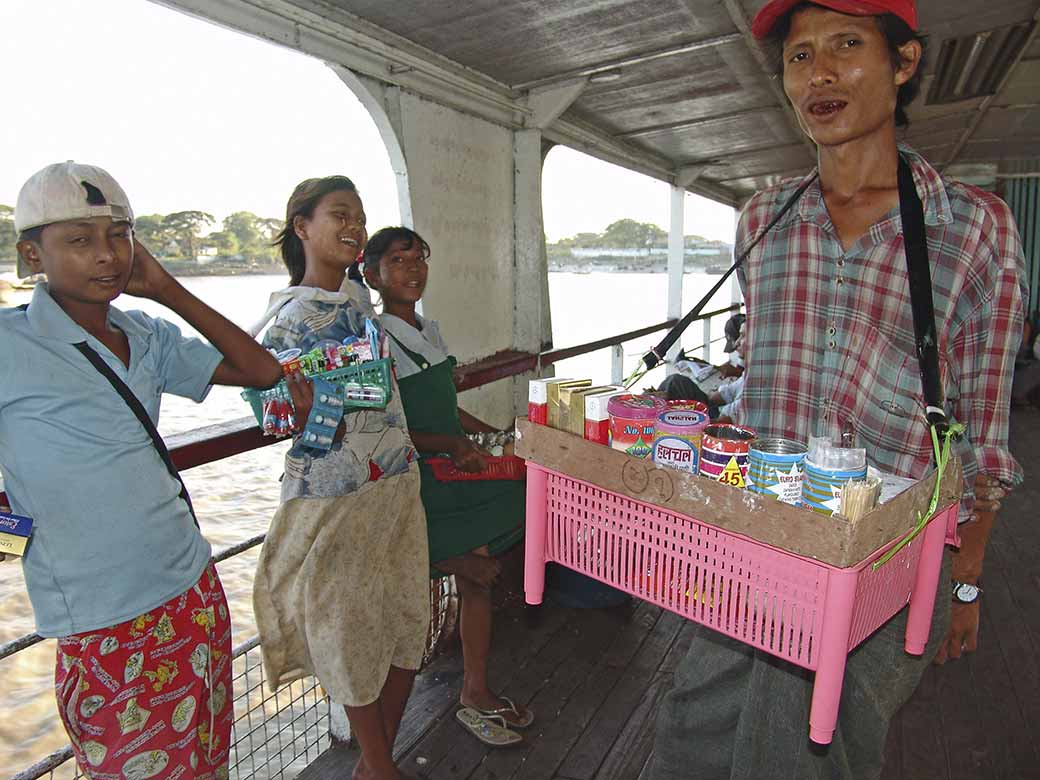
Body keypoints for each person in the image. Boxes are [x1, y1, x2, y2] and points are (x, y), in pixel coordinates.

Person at [651, 1, 1025, 778]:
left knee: (816, 755)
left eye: (847, 46)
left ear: (905, 62)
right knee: (694, 733)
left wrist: (964, 583)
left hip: (881, 563)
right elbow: (759, 381)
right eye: (799, 56)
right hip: (751, 540)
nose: (818, 72)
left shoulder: (971, 226)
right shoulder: (763, 220)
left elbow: (983, 435)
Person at [0, 161, 282, 778]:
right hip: (104, 621)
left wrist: (166, 289)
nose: (106, 255)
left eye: (119, 235)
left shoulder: (145, 333)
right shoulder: (7, 343)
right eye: (79, 240)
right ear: (30, 255)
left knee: (208, 764)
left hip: (193, 588)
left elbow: (262, 372)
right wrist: (12, 532)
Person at [249, 178, 429, 780]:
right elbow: (283, 423)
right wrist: (312, 408)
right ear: (302, 227)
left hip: (397, 481)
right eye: (340, 214)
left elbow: (380, 395)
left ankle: (377, 763)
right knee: (347, 638)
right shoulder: (285, 322)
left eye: (360, 215)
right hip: (336, 497)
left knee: (410, 621)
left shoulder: (356, 304)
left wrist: (346, 396)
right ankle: (379, 768)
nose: (354, 225)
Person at [356, 226, 532, 747]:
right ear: (372, 274)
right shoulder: (374, 338)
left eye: (419, 259)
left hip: (451, 470)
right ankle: (383, 744)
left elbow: (445, 407)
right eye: (397, 261)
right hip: (414, 476)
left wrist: (484, 433)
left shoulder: (427, 332)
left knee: (480, 579)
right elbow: (380, 426)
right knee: (457, 572)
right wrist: (451, 444)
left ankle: (475, 691)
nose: (412, 270)